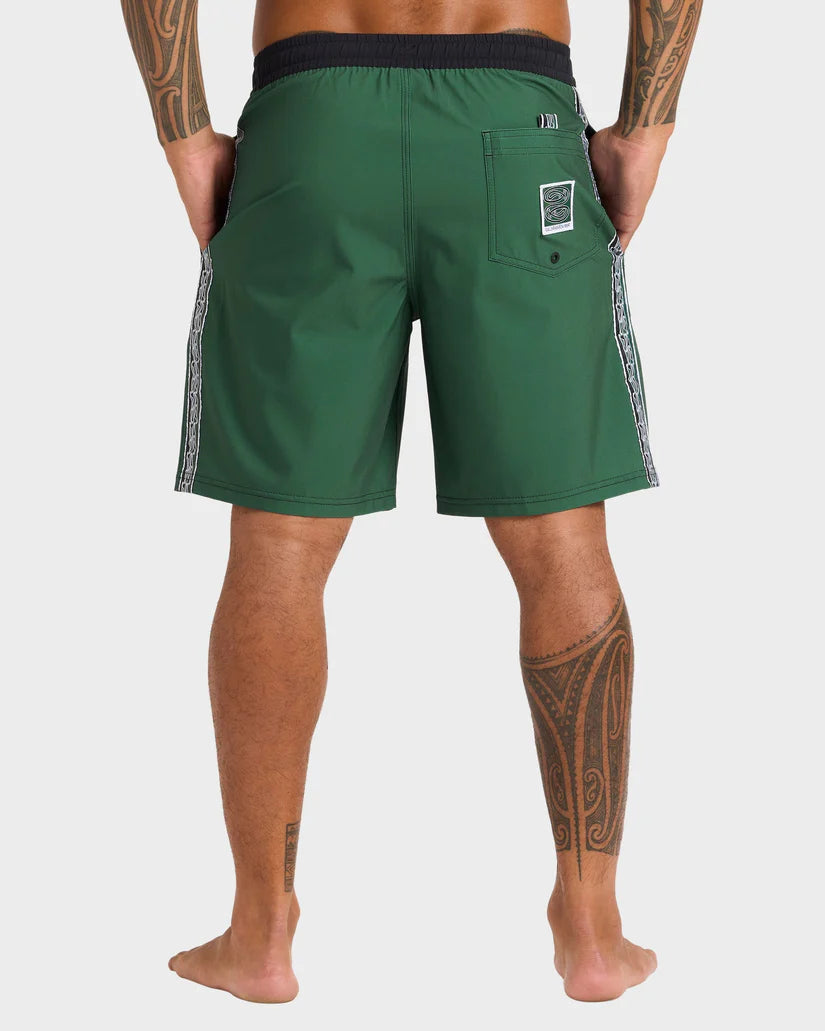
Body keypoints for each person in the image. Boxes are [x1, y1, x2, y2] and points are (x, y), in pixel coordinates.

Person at [122, 0, 703, 1005]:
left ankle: (261, 930)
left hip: (313, 124)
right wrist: (644, 130)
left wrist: (184, 136)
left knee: (279, 541)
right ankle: (592, 926)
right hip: (514, 115)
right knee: (560, 534)